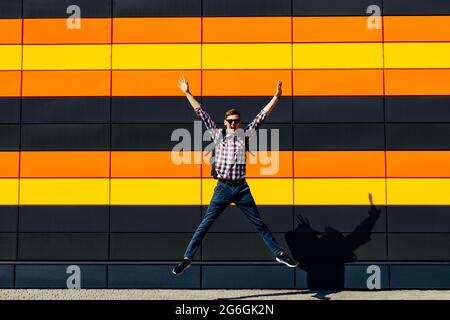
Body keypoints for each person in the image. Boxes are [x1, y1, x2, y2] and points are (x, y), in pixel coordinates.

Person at [172, 76, 298, 275]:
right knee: (205, 224)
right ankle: (188, 258)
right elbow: (201, 113)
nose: (233, 123)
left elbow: (262, 116)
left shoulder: (245, 135)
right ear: (225, 122)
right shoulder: (218, 135)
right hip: (223, 187)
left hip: (241, 188)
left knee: (259, 223)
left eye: (236, 121)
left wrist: (276, 96)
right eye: (230, 121)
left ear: (239, 124)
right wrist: (187, 92)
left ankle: (279, 253)